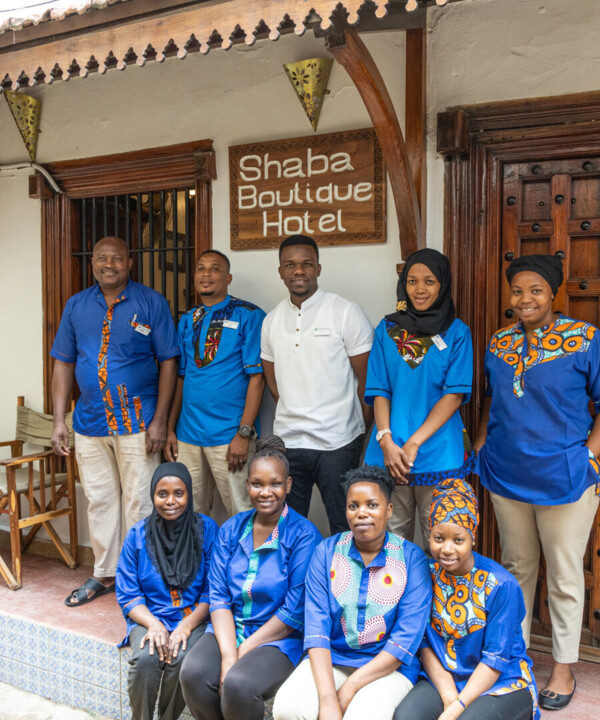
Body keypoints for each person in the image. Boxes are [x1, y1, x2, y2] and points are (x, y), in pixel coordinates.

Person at [475, 254, 600, 711]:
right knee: (515, 568)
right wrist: (482, 446)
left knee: (565, 573)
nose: (524, 299)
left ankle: (564, 664)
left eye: (535, 291)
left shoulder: (585, 340)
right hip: (507, 475)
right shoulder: (500, 341)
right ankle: (514, 656)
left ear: (553, 294)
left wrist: (589, 455)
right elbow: (493, 402)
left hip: (566, 478)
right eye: (518, 291)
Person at [51, 236, 179, 606]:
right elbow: (64, 362)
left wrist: (160, 420)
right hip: (89, 423)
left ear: (130, 263)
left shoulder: (151, 302)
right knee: (100, 500)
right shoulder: (76, 306)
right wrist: (60, 420)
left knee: (140, 501)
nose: (109, 264)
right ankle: (104, 573)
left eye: (117, 258)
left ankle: (139, 576)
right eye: (102, 258)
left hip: (139, 421)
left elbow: (169, 361)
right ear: (92, 262)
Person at [179, 435, 323, 720]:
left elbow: (293, 612)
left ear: (288, 485)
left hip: (278, 639)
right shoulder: (232, 529)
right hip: (229, 628)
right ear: (247, 486)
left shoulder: (304, 536)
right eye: (257, 484)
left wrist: (243, 648)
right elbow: (218, 596)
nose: (265, 492)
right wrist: (229, 652)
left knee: (239, 684)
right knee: (192, 673)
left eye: (275, 484)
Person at [273, 465, 432, 720]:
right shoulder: (326, 552)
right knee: (287, 709)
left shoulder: (411, 559)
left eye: (372, 505)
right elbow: (316, 629)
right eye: (353, 506)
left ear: (388, 510)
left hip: (388, 667)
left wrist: (349, 688)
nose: (362, 513)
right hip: (333, 659)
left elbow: (405, 640)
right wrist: (327, 700)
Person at [394, 477, 539, 720]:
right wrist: (449, 694)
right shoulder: (424, 574)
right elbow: (425, 643)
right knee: (406, 717)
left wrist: (456, 709)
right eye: (439, 538)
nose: (447, 549)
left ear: (472, 537)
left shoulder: (500, 584)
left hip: (500, 681)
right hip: (445, 676)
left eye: (458, 540)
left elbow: (496, 660)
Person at [261, 235, 374, 533]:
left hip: (337, 442)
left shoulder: (345, 312)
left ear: (318, 269)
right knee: (288, 529)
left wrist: (357, 430)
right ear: (280, 271)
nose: (298, 271)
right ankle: (299, 581)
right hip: (289, 442)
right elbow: (274, 384)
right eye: (290, 265)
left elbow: (368, 380)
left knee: (345, 525)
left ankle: (344, 580)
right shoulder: (271, 320)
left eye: (306, 264)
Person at [363, 249, 473, 543]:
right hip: (389, 452)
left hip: (438, 452)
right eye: (412, 281)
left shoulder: (457, 332)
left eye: (429, 281)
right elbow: (379, 390)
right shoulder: (386, 330)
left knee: (438, 542)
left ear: (443, 285)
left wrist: (413, 443)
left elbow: (454, 395)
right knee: (390, 541)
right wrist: (386, 440)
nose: (420, 289)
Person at [165, 249, 266, 516]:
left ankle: (246, 560)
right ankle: (196, 559)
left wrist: (243, 434)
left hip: (229, 435)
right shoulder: (188, 320)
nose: (206, 274)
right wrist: (171, 429)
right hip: (188, 436)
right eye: (201, 268)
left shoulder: (249, 315)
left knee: (242, 511)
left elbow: (258, 377)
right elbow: (181, 377)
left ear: (228, 277)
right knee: (189, 512)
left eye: (214, 268)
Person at [116, 462, 218, 720]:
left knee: (182, 659)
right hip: (150, 616)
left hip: (193, 616)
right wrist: (153, 625)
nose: (170, 501)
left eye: (179, 493)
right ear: (153, 496)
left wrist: (186, 626)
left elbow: (213, 590)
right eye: (162, 494)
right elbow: (128, 594)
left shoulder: (206, 530)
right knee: (144, 661)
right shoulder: (138, 535)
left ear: (189, 495)